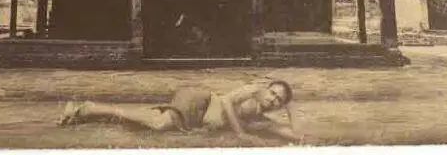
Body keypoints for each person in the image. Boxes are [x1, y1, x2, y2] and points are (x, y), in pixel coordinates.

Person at [58, 79, 299, 143]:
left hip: (198, 116)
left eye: (279, 101)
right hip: (200, 102)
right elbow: (225, 101)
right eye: (274, 93)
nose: (273, 100)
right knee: (157, 124)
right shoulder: (253, 91)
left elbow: (294, 135)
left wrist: (292, 111)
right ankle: (89, 108)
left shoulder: (261, 115)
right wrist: (240, 134)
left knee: (150, 121)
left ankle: (86, 113)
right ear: (267, 88)